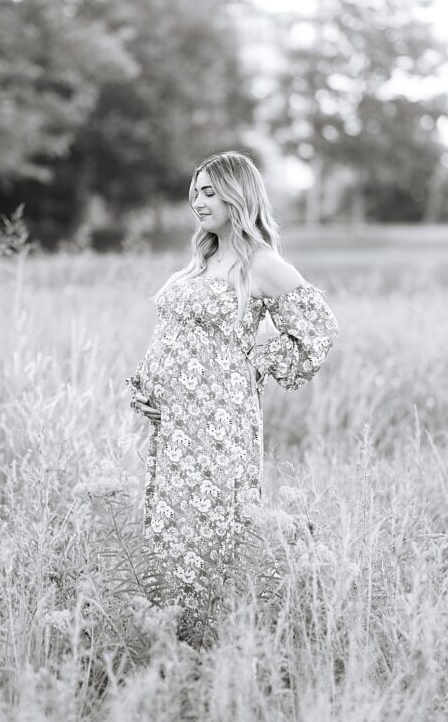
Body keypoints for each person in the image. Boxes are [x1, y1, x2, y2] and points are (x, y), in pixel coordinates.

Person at [126, 151, 338, 647]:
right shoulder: (201, 259)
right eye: (195, 190)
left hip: (219, 427)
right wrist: (148, 389)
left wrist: (253, 365)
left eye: (209, 191)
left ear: (237, 195)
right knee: (172, 527)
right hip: (174, 426)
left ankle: (220, 636)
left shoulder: (260, 263)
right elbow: (175, 334)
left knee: (214, 526)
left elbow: (319, 330)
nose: (197, 200)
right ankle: (176, 636)